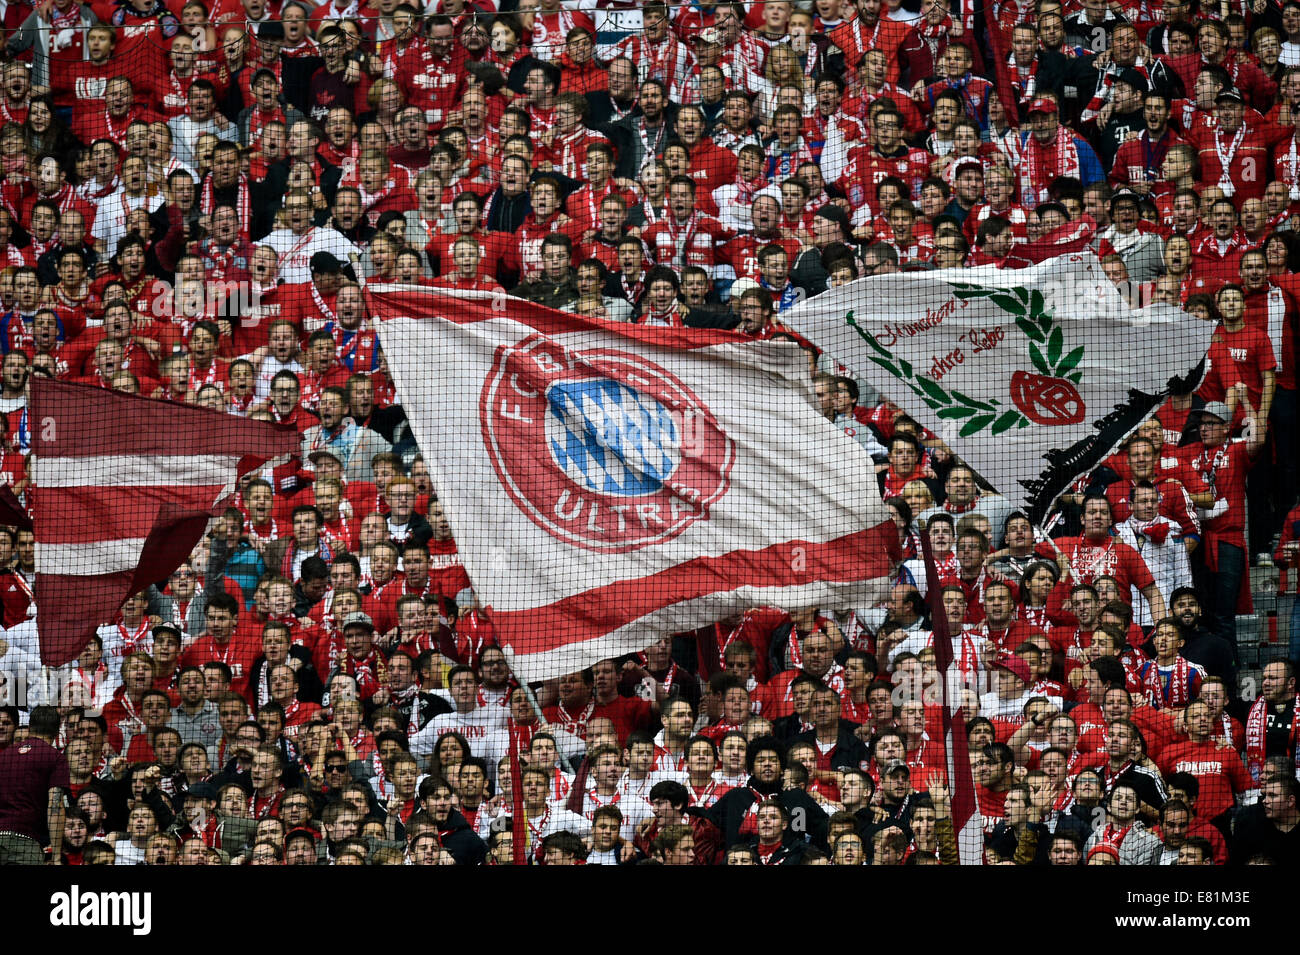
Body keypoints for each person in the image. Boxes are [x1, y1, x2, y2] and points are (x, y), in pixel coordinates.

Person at [0, 706, 68, 864]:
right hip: (25, 843)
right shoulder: (55, 758)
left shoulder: (4, 756)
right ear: (57, 731)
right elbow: (55, 806)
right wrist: (57, 856)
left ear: (29, 727)